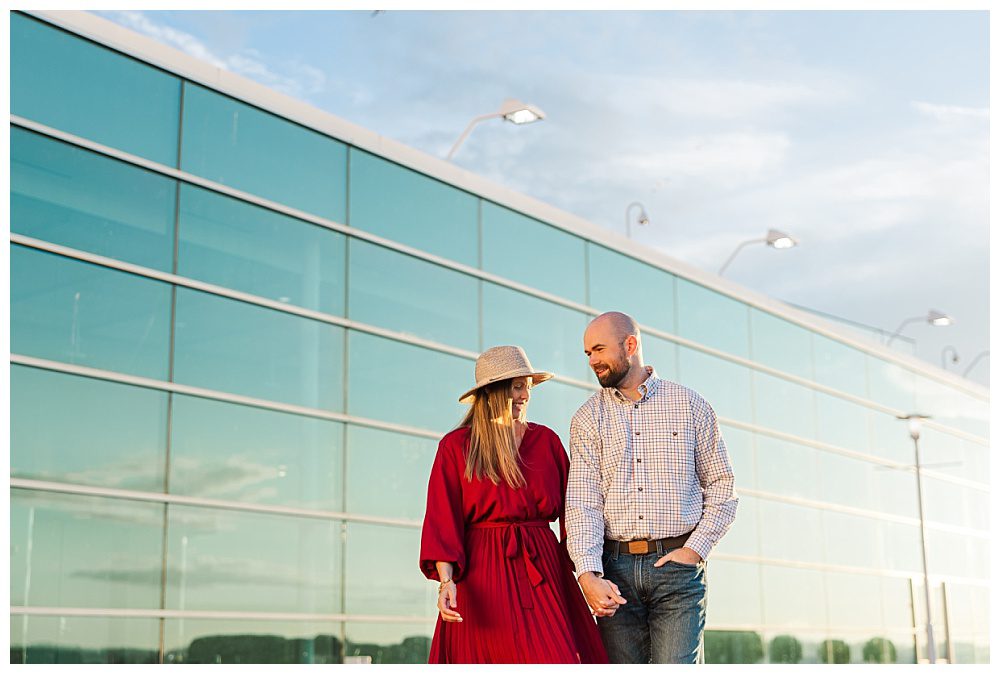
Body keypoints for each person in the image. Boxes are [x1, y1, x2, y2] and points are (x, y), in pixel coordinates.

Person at [565, 311, 739, 664]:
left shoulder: (690, 405)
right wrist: (588, 574)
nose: (593, 361)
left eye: (599, 349)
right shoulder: (586, 418)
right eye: (588, 354)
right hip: (614, 574)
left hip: (677, 569)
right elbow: (583, 504)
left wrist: (694, 551)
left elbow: (722, 486)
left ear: (630, 345)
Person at [419, 345, 608, 664]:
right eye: (518, 386)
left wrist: (586, 570)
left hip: (543, 569)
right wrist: (446, 583)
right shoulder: (456, 446)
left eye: (528, 387)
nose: (525, 395)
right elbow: (443, 521)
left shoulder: (546, 441)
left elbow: (575, 512)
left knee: (557, 657)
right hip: (481, 577)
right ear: (494, 391)